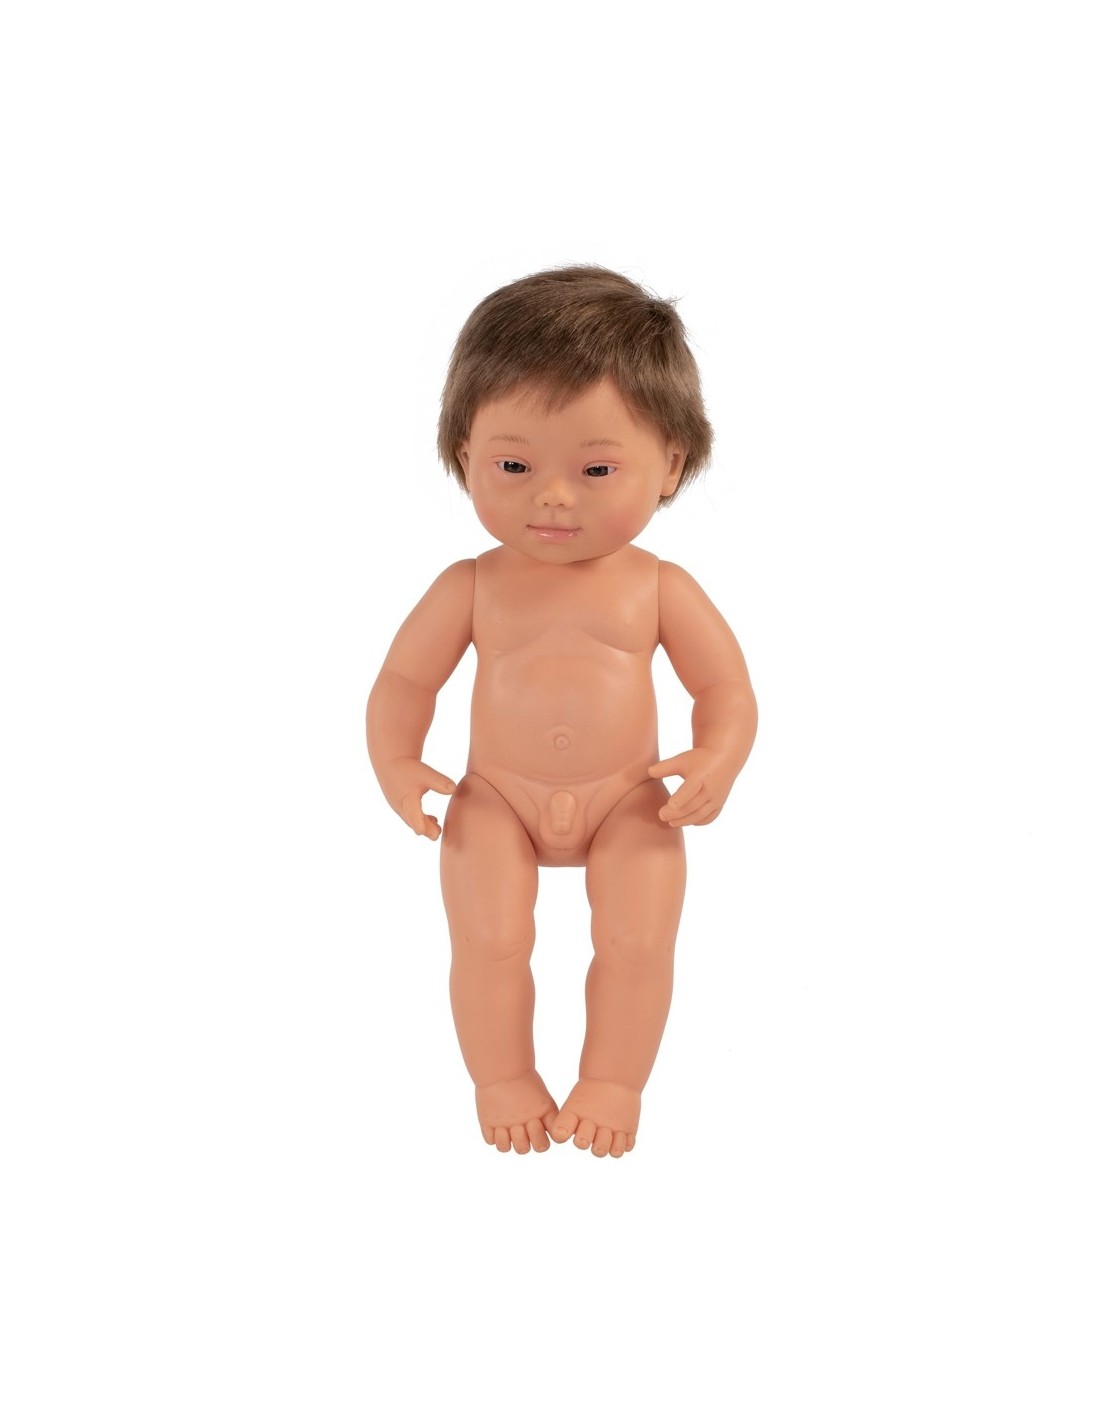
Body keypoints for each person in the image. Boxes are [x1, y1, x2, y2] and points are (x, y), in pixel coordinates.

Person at [367, 266, 757, 1157]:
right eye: (514, 465)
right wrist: (396, 759)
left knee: (637, 940)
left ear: (671, 464)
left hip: (632, 798)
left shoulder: (659, 587)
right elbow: (404, 683)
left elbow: (725, 690)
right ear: (463, 453)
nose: (552, 494)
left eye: (596, 469)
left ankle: (613, 1081)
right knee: (489, 938)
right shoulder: (469, 585)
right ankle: (501, 1076)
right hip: (496, 796)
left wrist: (717, 757)